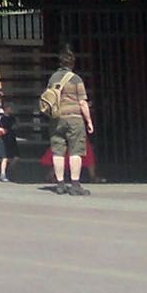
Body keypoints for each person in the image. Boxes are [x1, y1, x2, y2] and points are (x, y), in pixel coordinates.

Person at [43, 48, 94, 195]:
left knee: (58, 151)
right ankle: (75, 184)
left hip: (56, 119)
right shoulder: (76, 79)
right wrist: (89, 121)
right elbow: (83, 103)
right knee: (75, 151)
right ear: (73, 63)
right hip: (74, 118)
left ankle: (60, 184)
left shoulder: (53, 78)